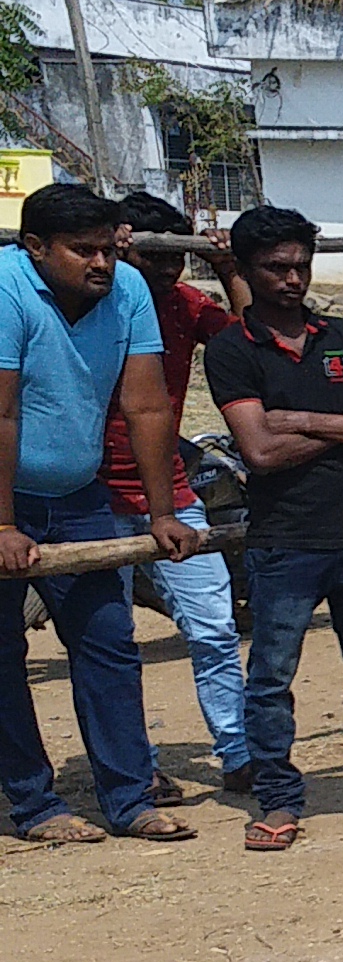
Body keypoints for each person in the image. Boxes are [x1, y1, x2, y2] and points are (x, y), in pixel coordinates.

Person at [209, 205, 343, 853]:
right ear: (244, 270)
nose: (293, 279)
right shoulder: (231, 350)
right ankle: (277, 798)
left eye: (301, 265)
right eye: (276, 268)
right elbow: (259, 454)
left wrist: (297, 419)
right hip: (284, 539)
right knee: (271, 677)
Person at [0, 183, 199, 844]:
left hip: (78, 491)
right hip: (4, 494)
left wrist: (161, 512)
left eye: (106, 249)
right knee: (2, 652)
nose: (100, 264)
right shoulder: (5, 290)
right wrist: (3, 525)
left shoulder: (129, 292)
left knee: (108, 641)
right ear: (34, 248)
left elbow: (146, 406)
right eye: (81, 250)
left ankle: (128, 797)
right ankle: (34, 804)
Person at [107, 191, 250, 797]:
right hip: (92, 494)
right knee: (110, 645)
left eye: (177, 257)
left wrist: (226, 267)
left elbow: (249, 341)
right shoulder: (95, 302)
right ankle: (133, 767)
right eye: (155, 256)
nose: (168, 270)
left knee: (214, 628)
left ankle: (241, 753)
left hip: (170, 487)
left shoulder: (187, 306)